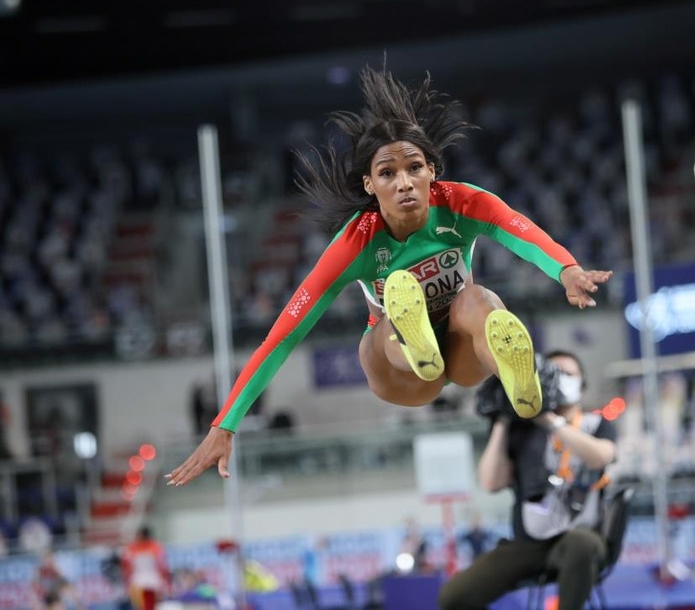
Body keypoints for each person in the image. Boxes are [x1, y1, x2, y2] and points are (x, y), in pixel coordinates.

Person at [165, 65, 612, 487]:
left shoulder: (460, 202)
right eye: (387, 173)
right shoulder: (356, 243)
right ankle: (412, 338)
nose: (404, 182)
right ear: (369, 185)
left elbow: (520, 231)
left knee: (481, 303)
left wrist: (566, 269)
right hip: (398, 371)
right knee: (395, 310)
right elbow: (282, 336)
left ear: (432, 171)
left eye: (414, 167)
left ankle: (521, 387)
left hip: (460, 353)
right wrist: (226, 422)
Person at [438, 350, 617, 610]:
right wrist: (503, 418)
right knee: (454, 596)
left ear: (583, 382)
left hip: (581, 538)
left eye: (568, 374)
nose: (560, 379)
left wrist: (549, 420)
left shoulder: (596, 423)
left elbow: (601, 456)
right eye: (554, 374)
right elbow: (490, 483)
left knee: (582, 544)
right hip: (530, 545)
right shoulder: (523, 430)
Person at [120, 525, 171, 610]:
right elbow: (126, 566)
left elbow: (162, 566)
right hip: (141, 579)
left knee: (149, 605)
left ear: (142, 535)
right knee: (142, 605)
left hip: (149, 579)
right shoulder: (154, 547)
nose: (136, 537)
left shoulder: (154, 547)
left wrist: (165, 581)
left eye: (137, 535)